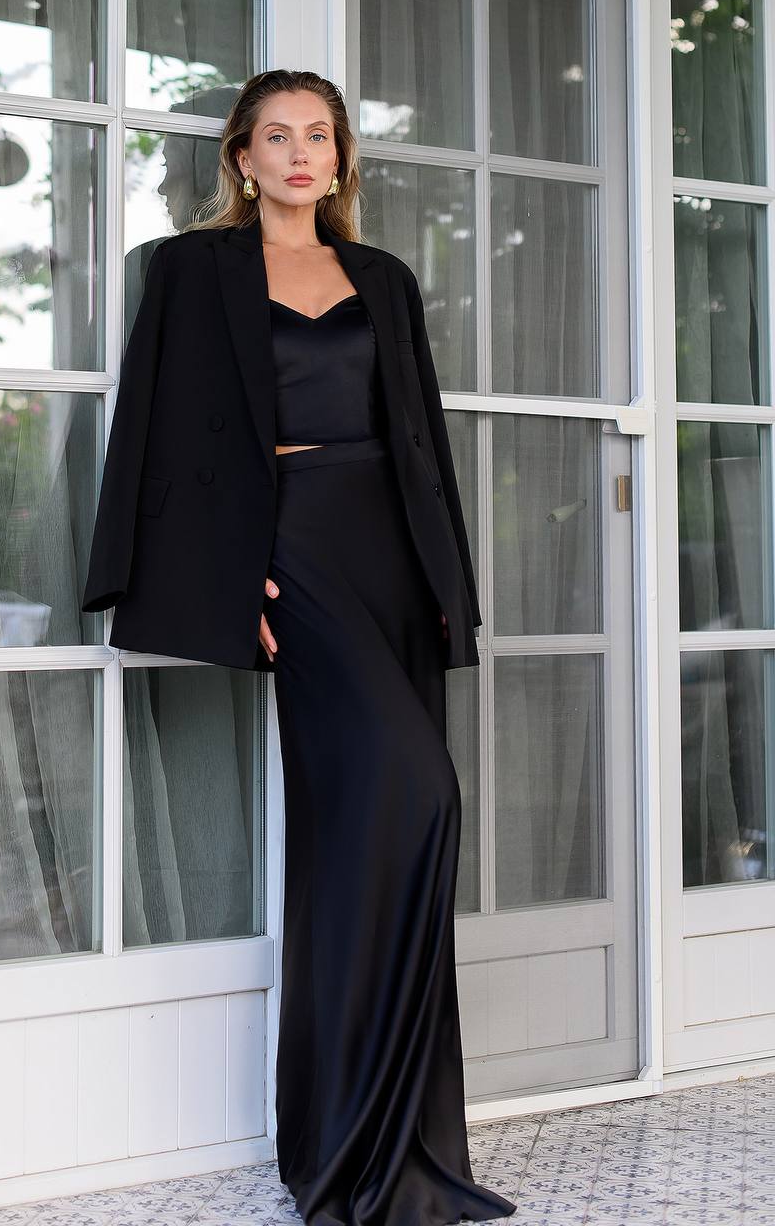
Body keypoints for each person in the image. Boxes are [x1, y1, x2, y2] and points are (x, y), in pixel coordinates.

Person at [82, 69, 517, 1226]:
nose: (298, 154)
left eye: (317, 136)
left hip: (388, 557)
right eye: (275, 137)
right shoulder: (189, 269)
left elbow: (416, 440)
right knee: (416, 794)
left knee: (358, 842)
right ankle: (348, 1148)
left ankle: (382, 1145)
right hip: (291, 551)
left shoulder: (382, 278)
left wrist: (445, 588)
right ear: (241, 158)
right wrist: (232, 583)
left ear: (339, 158)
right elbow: (164, 435)